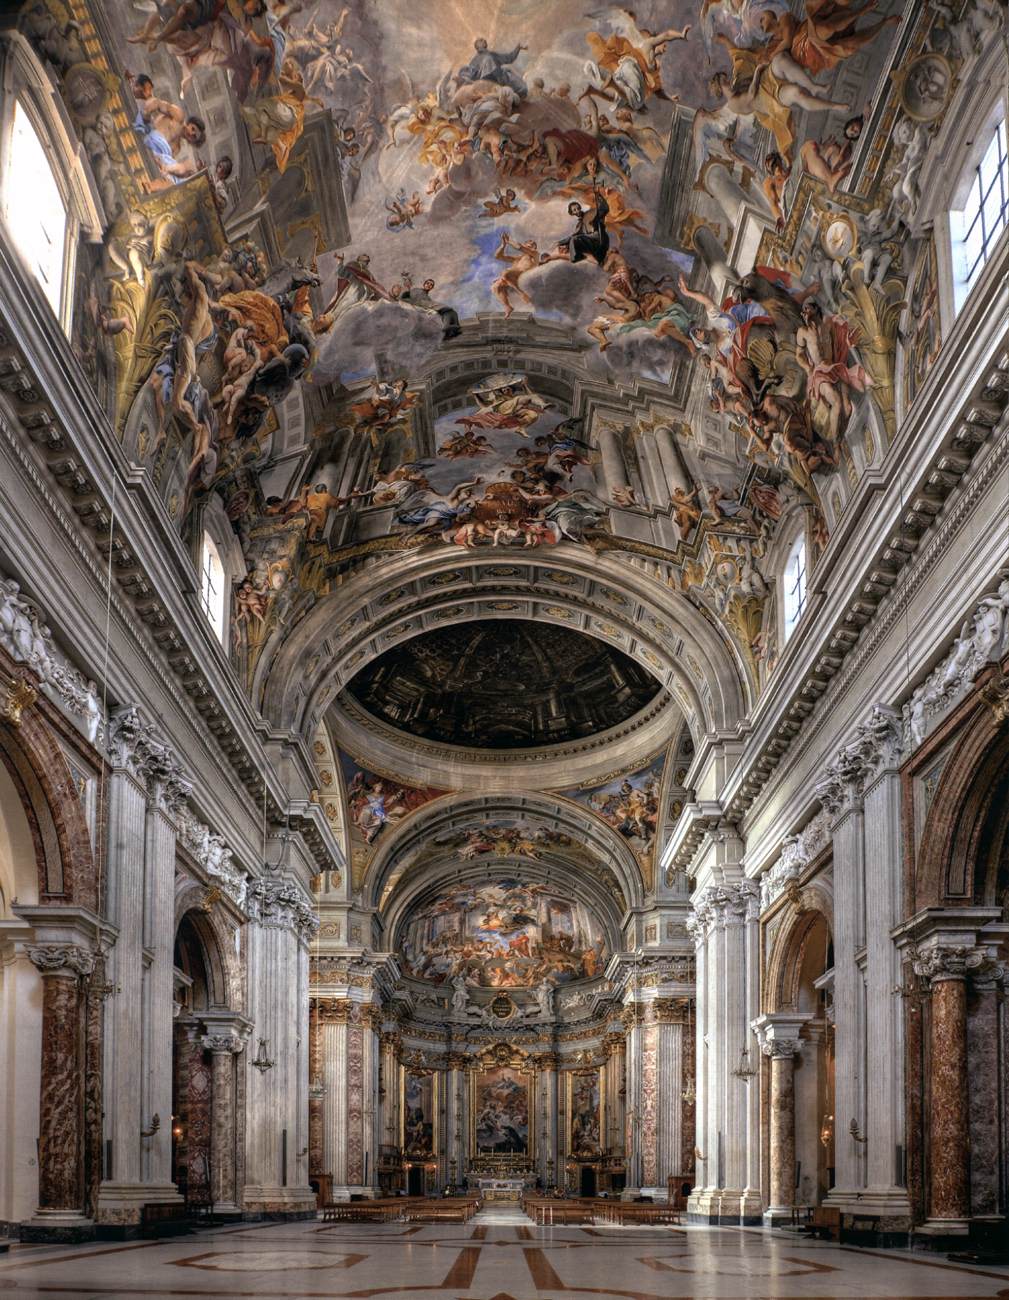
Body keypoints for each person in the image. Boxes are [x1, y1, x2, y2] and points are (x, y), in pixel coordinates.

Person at [456, 37, 529, 98]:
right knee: (518, 84)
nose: (484, 40)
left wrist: (518, 48)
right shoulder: (477, 59)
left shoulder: (491, 54)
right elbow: (472, 75)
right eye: (481, 40)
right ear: (477, 46)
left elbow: (509, 58)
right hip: (495, 83)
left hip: (496, 82)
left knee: (514, 79)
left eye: (483, 40)